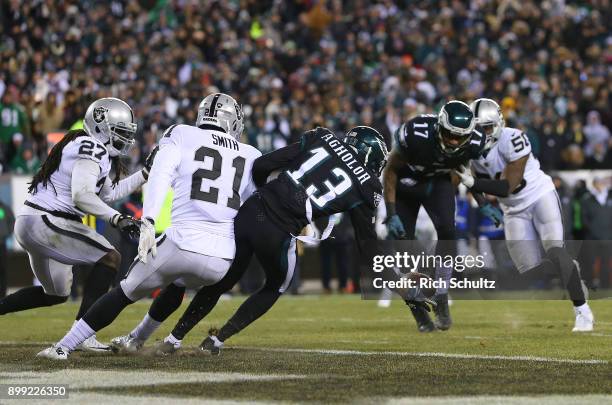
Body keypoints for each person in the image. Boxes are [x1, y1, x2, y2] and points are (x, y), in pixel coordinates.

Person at [38, 93, 261, 360]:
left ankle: (63, 346)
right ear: (232, 121)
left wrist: (149, 221)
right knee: (177, 284)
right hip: (222, 258)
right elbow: (252, 206)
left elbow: (160, 173)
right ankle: (136, 339)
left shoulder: (181, 133)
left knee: (124, 292)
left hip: (182, 242)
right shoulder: (251, 154)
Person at [141, 125, 395, 356]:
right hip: (279, 231)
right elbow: (367, 246)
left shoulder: (323, 138)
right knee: (276, 286)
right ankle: (217, 340)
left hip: (253, 210)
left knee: (224, 279)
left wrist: (267, 194)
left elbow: (262, 165)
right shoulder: (368, 184)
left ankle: (174, 338)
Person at [0, 98, 149, 351]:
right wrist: (117, 218)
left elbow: (108, 193)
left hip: (34, 221)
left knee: (55, 294)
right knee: (110, 257)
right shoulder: (92, 147)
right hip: (48, 220)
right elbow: (82, 196)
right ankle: (83, 333)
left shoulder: (86, 146)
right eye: (120, 132)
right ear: (102, 127)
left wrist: (145, 173)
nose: (125, 138)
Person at [455, 98, 594, 332]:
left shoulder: (513, 138)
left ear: (499, 122)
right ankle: (570, 268)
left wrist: (472, 182)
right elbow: (472, 183)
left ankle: (582, 310)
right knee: (529, 271)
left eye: (487, 127)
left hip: (538, 196)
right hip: (512, 210)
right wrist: (482, 203)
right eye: (477, 129)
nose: (483, 134)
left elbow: (507, 185)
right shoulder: (468, 149)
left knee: (555, 250)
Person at [383, 100, 494, 332]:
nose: (454, 141)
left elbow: (465, 171)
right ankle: (419, 312)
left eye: (459, 137)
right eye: (449, 134)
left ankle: (441, 296)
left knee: (448, 232)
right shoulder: (415, 133)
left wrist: (482, 201)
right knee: (403, 250)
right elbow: (391, 170)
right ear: (439, 127)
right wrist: (391, 212)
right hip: (405, 186)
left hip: (437, 184)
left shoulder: (475, 141)